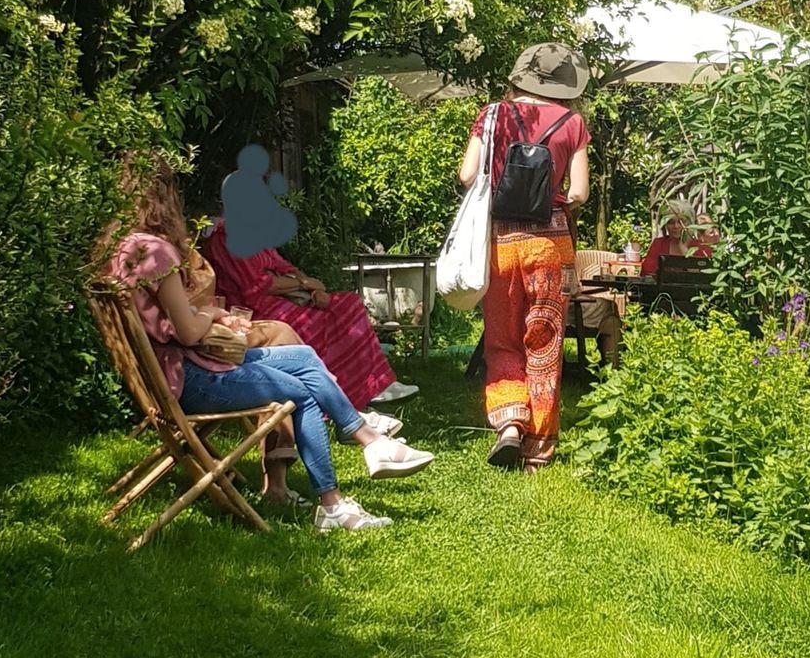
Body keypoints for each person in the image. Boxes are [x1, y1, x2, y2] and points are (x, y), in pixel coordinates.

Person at [99, 156, 432, 534]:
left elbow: (165, 316)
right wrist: (211, 315)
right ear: (165, 196)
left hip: (164, 378)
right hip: (188, 379)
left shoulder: (120, 250)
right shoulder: (156, 251)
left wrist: (208, 315)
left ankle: (367, 439)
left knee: (303, 356)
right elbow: (189, 333)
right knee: (301, 390)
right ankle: (334, 503)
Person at [455, 41, 591, 470]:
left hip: (500, 242)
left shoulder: (492, 114)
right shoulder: (573, 122)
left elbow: (467, 175)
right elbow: (579, 193)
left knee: (502, 338)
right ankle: (539, 450)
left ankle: (510, 423)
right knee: (544, 341)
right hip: (550, 246)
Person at [200, 206, 412, 417]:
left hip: (282, 297)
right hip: (257, 309)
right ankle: (346, 399)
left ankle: (374, 385)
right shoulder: (227, 237)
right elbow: (257, 285)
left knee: (349, 305)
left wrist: (311, 286)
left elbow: (282, 265)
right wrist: (304, 285)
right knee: (317, 323)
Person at [639, 205, 719, 280]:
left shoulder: (702, 247)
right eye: (671, 222)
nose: (676, 226)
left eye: (681, 222)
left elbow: (700, 279)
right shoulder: (658, 244)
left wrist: (683, 248)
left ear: (689, 224)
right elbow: (647, 273)